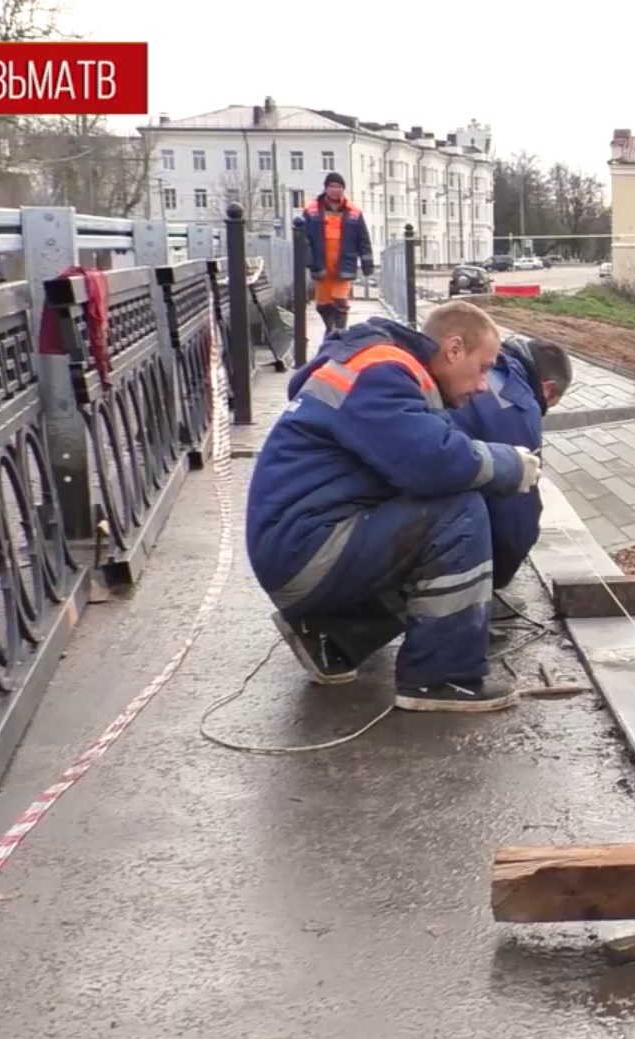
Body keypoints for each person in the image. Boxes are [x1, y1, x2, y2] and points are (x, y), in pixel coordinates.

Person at [245, 300, 539, 712]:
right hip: (304, 551)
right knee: (458, 513)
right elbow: (430, 461)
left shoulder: (387, 369)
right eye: (484, 367)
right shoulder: (382, 372)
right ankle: (440, 678)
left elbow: (426, 458)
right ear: (454, 349)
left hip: (301, 543)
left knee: (435, 528)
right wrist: (510, 464)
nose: (481, 386)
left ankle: (334, 637)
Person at [447, 335, 572, 620]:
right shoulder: (516, 402)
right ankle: (467, 610)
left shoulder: (489, 366)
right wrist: (497, 579)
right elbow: (517, 510)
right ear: (548, 389)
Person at [298, 173, 374, 338]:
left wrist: (367, 263)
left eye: (339, 187)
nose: (335, 190)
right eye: (332, 186)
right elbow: (303, 239)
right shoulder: (311, 211)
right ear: (325, 188)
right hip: (321, 265)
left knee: (340, 302)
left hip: (344, 264)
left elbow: (363, 239)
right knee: (323, 304)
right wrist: (308, 260)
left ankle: (338, 333)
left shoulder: (353, 212)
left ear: (343, 190)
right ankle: (330, 328)